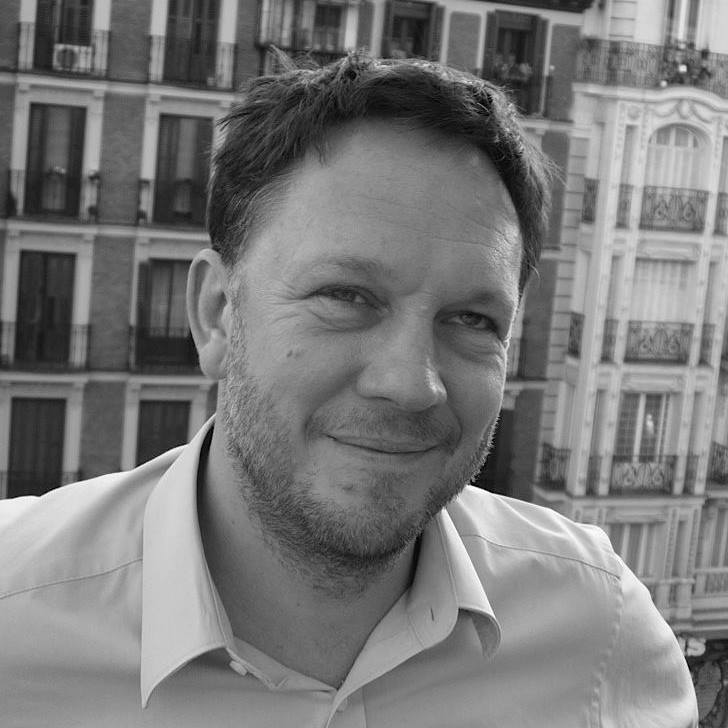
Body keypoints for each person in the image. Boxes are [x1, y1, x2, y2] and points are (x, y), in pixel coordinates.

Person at [0, 53, 697, 727]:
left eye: (471, 320)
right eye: (346, 296)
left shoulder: (599, 630)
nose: (412, 384)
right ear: (216, 313)